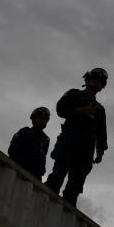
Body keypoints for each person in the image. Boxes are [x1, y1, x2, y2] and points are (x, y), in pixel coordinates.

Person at [45, 68, 108, 206]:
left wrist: (100, 151)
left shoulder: (99, 109)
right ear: (87, 80)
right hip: (69, 143)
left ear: (103, 87)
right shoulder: (74, 94)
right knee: (56, 179)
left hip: (86, 151)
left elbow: (101, 133)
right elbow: (60, 110)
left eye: (100, 82)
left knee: (74, 189)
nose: (97, 84)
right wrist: (83, 110)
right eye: (95, 80)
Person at [7, 106, 50, 180]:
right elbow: (12, 151)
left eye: (45, 119)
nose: (42, 120)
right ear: (33, 119)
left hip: (35, 177)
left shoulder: (46, 139)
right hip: (17, 171)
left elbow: (42, 157)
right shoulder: (24, 131)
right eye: (39, 118)